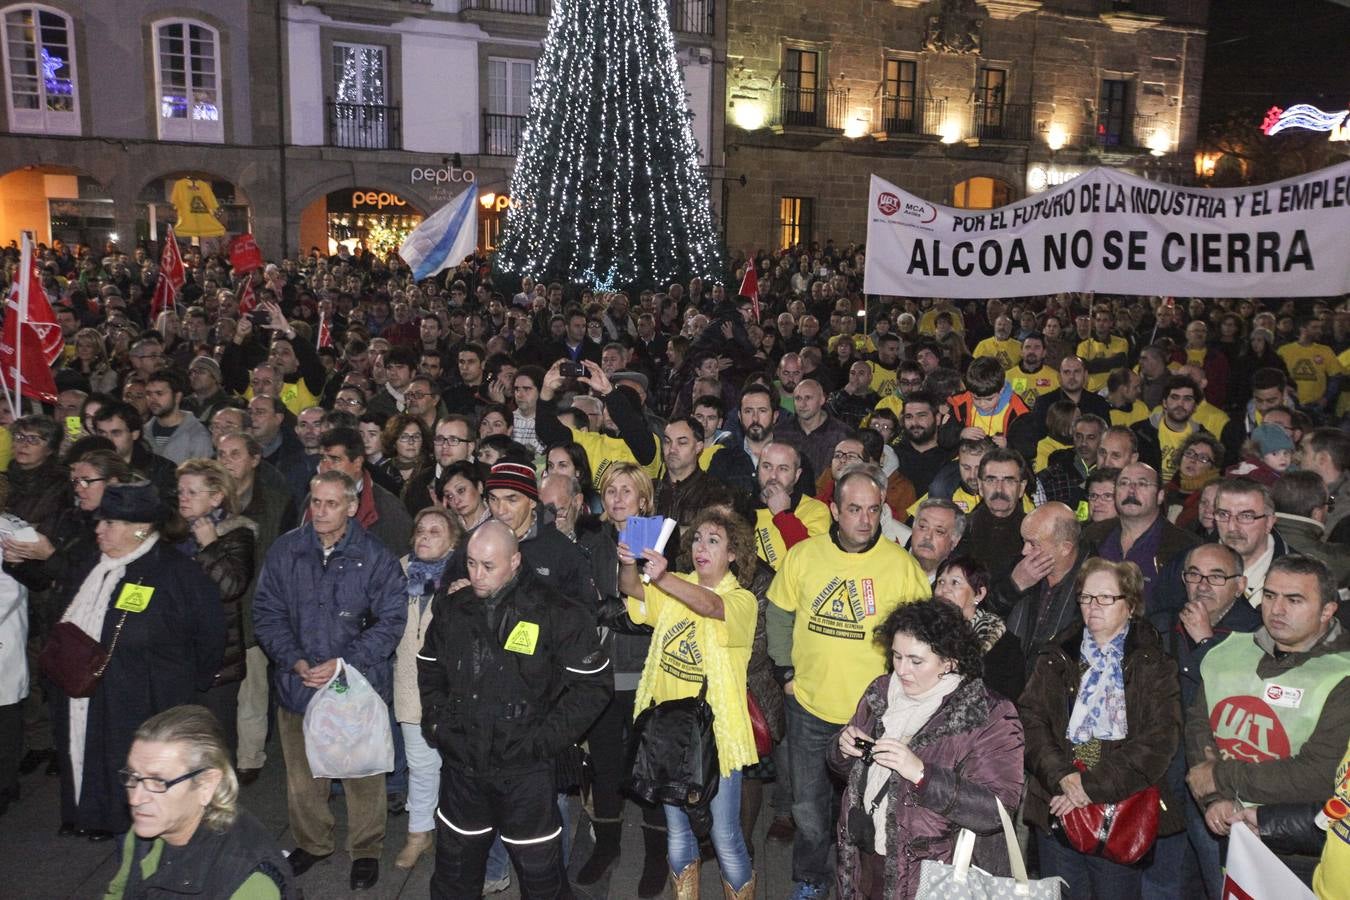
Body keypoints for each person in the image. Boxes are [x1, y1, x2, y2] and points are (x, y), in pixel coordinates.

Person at [418, 521, 611, 897]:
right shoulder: (454, 607)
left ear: (515, 561)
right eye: (471, 563)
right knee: (453, 875)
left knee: (541, 879)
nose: (477, 574)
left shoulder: (556, 612)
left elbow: (593, 687)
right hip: (463, 769)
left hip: (525, 773)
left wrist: (543, 741)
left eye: (488, 566)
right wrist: (438, 723)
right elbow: (429, 666)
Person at [767, 464, 932, 900]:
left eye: (873, 510)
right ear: (835, 510)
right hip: (809, 707)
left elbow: (923, 638)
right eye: (854, 509)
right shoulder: (804, 555)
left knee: (866, 810)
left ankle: (856, 885)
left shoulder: (901, 566)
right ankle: (810, 879)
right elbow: (779, 613)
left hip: (873, 717)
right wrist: (785, 673)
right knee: (808, 808)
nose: (865, 519)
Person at [252, 470, 407, 891]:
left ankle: (366, 849)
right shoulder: (286, 550)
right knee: (303, 777)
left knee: (362, 775)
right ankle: (312, 842)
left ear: (352, 507)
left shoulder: (376, 557)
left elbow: (391, 621)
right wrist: (293, 659)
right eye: (315, 502)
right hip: (298, 683)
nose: (320, 511)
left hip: (355, 684)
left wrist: (344, 663)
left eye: (331, 503)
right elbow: (266, 612)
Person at [52, 481, 226, 840]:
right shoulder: (92, 563)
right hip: (87, 684)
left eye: (110, 523)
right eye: (99, 522)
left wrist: (190, 684)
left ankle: (117, 819)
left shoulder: (176, 572)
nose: (99, 530)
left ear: (141, 528)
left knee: (124, 754)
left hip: (145, 691)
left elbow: (211, 632)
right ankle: (84, 810)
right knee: (82, 744)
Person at [829, 600, 1024, 900]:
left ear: (949, 661)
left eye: (916, 661)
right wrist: (842, 749)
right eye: (896, 656)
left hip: (932, 875)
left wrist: (922, 775)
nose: (901, 670)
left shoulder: (986, 714)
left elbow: (995, 811)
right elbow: (845, 769)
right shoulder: (881, 692)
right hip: (865, 862)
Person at [1019, 558, 1183, 900]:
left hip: (1121, 811)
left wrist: (1086, 787)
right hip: (1055, 806)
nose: (1093, 606)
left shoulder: (1153, 663)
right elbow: (1031, 722)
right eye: (1086, 597)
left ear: (1131, 604)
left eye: (1106, 598)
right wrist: (1063, 777)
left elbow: (1158, 741)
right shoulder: (1056, 655)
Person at [619, 507, 760, 899]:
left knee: (724, 835)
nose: (701, 547)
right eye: (697, 538)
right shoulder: (676, 584)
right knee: (678, 831)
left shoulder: (742, 601)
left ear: (733, 553)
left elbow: (710, 606)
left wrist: (663, 578)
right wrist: (628, 562)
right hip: (669, 732)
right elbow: (632, 589)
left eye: (714, 541)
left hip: (718, 738)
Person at [1184, 554, 1350, 884]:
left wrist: (1220, 777)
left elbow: (1320, 774)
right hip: (1226, 828)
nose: (1277, 609)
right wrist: (1216, 799)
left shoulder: (1342, 674)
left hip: (1301, 850)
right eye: (1270, 595)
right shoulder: (1229, 651)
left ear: (1327, 610)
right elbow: (1200, 726)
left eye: (1294, 600)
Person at [104, 705, 294, 899]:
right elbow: (120, 891)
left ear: (206, 784)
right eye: (133, 776)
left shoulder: (247, 882)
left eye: (158, 781)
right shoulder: (149, 826)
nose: (136, 799)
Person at [175, 459, 257, 763]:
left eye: (192, 492)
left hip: (220, 659)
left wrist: (209, 547)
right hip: (178, 657)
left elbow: (232, 586)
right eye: (180, 491)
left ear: (216, 497)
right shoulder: (173, 534)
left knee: (216, 745)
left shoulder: (237, 533)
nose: (183, 498)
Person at [392, 507, 458, 870]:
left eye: (435, 531)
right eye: (420, 530)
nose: (425, 536)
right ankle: (419, 833)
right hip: (409, 683)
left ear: (453, 541)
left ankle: (455, 832)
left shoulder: (465, 574)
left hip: (454, 688)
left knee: (458, 765)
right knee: (420, 764)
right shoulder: (397, 572)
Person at [933, 556, 1025, 702]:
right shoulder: (922, 630)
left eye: (955, 583)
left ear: (979, 594)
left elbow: (1001, 703)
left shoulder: (1004, 647)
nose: (944, 590)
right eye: (940, 582)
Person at [753, 441, 832, 569]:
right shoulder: (741, 508)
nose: (773, 476)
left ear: (797, 475)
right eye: (766, 466)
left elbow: (811, 562)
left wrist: (783, 515)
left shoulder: (815, 510)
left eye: (783, 469)